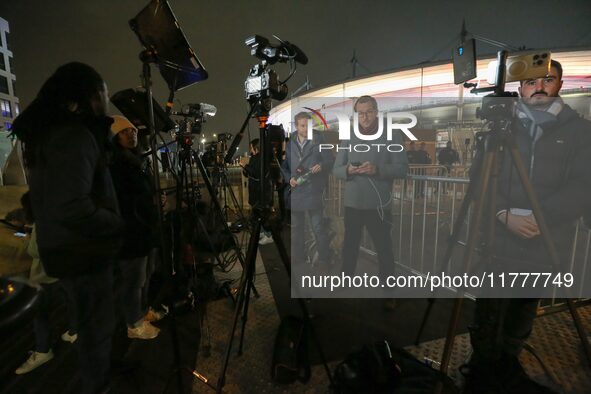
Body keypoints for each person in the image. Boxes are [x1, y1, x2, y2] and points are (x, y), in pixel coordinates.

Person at [463, 60, 591, 394]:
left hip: (545, 240)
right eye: (530, 81)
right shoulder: (500, 128)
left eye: (547, 79)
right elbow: (478, 181)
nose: (538, 86)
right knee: (488, 308)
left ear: (560, 84)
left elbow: (583, 186)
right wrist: (502, 213)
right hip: (498, 239)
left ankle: (506, 366)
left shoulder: (580, 131)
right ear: (519, 88)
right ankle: (480, 370)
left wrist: (539, 218)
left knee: (522, 310)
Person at [11, 62, 124, 394]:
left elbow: (51, 194)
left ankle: (100, 374)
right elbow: (72, 206)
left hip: (67, 252)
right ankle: (98, 385)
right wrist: (114, 222)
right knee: (95, 332)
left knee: (91, 329)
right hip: (84, 253)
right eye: (103, 91)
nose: (106, 99)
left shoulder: (49, 136)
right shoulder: (73, 137)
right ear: (89, 96)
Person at [333, 95, 408, 305]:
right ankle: (345, 280)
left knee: (384, 248)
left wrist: (378, 170)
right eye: (360, 112)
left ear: (376, 111)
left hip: (378, 204)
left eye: (368, 112)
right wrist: (347, 169)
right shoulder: (349, 135)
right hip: (353, 203)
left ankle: (389, 292)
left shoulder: (392, 134)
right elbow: (336, 169)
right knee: (350, 245)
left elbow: (403, 168)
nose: (364, 117)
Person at [14, 192, 78, 375]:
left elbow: (35, 250)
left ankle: (42, 350)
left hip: (44, 274)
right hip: (64, 271)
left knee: (39, 312)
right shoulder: (61, 212)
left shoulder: (42, 221)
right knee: (71, 301)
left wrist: (27, 239)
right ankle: (73, 331)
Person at [109, 115, 161, 340]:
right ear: (114, 137)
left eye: (133, 131)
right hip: (130, 232)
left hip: (145, 229)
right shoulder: (115, 164)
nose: (131, 135)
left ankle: (142, 311)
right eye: (124, 132)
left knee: (146, 274)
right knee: (133, 281)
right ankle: (133, 323)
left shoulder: (137, 161)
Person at [282, 111, 333, 267]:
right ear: (296, 126)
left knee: (317, 227)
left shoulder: (319, 139)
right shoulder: (290, 143)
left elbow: (330, 160)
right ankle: (299, 256)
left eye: (308, 125)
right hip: (297, 190)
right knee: (297, 228)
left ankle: (324, 259)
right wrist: (289, 178)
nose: (306, 129)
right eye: (303, 126)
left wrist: (322, 166)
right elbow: (285, 166)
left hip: (313, 190)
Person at [242, 138, 274, 245]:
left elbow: (257, 173)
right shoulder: (254, 157)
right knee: (256, 213)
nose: (250, 150)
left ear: (256, 148)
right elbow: (249, 173)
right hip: (254, 190)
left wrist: (245, 166)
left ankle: (269, 234)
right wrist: (245, 169)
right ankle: (261, 232)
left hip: (261, 191)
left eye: (251, 147)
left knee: (263, 213)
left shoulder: (262, 158)